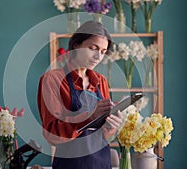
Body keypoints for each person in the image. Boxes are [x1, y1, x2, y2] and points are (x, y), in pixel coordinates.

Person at [37, 20, 123, 169]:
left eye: (103, 52)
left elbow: (102, 135)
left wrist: (112, 125)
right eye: (92, 48)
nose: (98, 57)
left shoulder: (101, 81)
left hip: (101, 163)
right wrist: (89, 117)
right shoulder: (52, 80)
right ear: (76, 45)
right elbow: (52, 135)